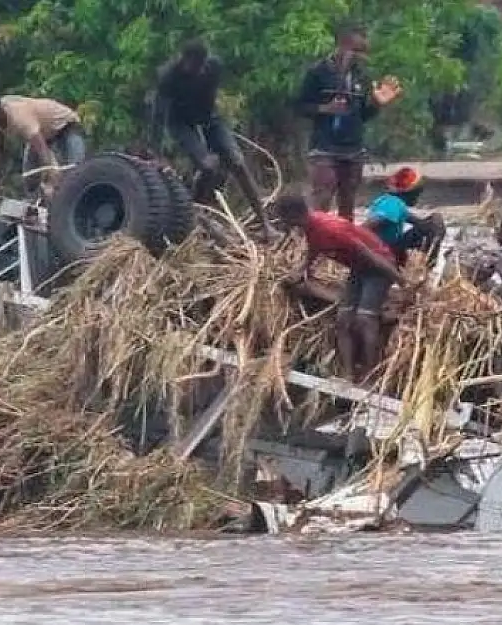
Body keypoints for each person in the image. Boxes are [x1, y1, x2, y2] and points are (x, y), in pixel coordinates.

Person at [275, 193, 406, 382]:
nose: (283, 224)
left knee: (365, 319)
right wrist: (303, 269)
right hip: (359, 268)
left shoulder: (330, 228)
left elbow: (370, 255)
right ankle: (347, 374)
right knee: (343, 320)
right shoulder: (311, 226)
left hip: (378, 266)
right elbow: (315, 247)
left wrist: (399, 280)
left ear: (292, 216)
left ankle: (371, 375)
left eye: (284, 220)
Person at [150, 39, 271, 236]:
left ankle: (265, 223)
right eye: (193, 66)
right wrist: (157, 153)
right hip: (180, 123)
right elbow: (158, 117)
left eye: (201, 66)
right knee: (207, 166)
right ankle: (194, 213)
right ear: (184, 60)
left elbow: (210, 102)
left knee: (238, 163)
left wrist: (215, 143)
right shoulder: (168, 76)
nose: (197, 70)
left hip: (209, 117)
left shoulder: (214, 66)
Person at [297, 22, 403, 219]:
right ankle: (316, 242)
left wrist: (378, 103)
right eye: (357, 51)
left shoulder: (362, 76)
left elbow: (363, 115)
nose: (360, 57)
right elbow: (300, 106)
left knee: (348, 202)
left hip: (353, 149)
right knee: (323, 196)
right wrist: (324, 109)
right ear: (342, 46)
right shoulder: (318, 72)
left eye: (363, 52)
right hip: (324, 147)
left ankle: (345, 247)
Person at [0, 88, 87, 196]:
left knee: (74, 174)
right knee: (30, 178)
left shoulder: (20, 118)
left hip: (66, 126)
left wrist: (50, 174)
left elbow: (42, 149)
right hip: (44, 133)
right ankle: (36, 205)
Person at [442, 212, 502, 308]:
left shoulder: (482, 235)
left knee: (497, 286)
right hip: (462, 291)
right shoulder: (497, 254)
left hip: (449, 285)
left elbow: (448, 253)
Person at [361, 166, 447, 268]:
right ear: (410, 193)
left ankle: (426, 261)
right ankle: (430, 265)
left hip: (386, 247)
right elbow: (370, 224)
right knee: (435, 221)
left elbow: (418, 222)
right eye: (417, 193)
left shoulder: (391, 201)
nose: (418, 197)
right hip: (383, 249)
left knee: (435, 221)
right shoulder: (394, 204)